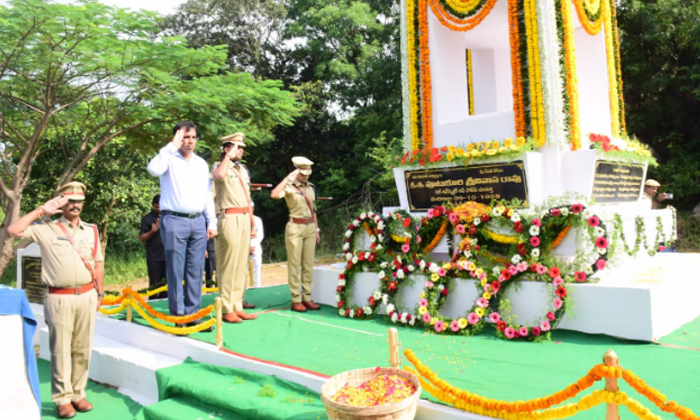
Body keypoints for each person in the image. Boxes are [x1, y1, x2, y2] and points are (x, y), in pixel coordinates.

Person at [8, 182, 104, 419]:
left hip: (87, 295)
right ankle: (62, 399)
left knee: (82, 348)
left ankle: (78, 395)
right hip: (59, 298)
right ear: (61, 203)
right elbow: (14, 231)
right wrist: (42, 210)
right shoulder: (45, 228)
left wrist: (100, 294)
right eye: (69, 201)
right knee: (60, 349)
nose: (75, 205)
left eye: (79, 201)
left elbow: (98, 263)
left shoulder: (91, 230)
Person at [147, 121, 216, 332]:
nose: (190, 141)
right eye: (186, 137)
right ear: (177, 138)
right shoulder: (168, 159)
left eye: (193, 137)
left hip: (197, 220)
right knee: (176, 270)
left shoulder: (201, 164)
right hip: (174, 219)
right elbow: (152, 169)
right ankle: (179, 317)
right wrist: (170, 146)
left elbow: (206, 195)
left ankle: (193, 314)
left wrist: (211, 221)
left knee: (196, 270)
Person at [211, 132, 257, 323]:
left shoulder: (242, 170)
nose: (241, 150)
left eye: (242, 147)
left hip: (245, 215)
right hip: (228, 216)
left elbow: (247, 197)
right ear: (226, 148)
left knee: (240, 264)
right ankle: (226, 308)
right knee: (228, 264)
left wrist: (253, 223)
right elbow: (219, 176)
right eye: (237, 147)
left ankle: (237, 305)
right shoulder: (219, 166)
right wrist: (227, 158)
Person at [270, 157, 321, 313]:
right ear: (296, 171)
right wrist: (287, 179)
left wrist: (317, 230)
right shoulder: (290, 186)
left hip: (310, 226)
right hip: (295, 227)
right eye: (302, 173)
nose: (306, 176)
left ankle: (307, 297)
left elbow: (314, 210)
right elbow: (274, 194)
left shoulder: (311, 188)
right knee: (294, 264)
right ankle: (296, 299)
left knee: (308, 264)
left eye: (308, 173)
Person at [139, 194, 167, 299]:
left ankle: (166, 309)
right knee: (154, 285)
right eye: (156, 207)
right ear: (152, 205)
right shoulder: (147, 219)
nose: (158, 209)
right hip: (154, 257)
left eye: (160, 206)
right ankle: (152, 309)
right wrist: (153, 230)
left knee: (167, 286)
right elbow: (142, 238)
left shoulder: (169, 217)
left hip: (168, 256)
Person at [249, 214, 264, 288]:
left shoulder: (257, 219)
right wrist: (247, 247)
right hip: (243, 249)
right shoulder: (241, 219)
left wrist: (252, 246)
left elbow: (260, 235)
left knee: (257, 271)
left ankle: (257, 288)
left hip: (256, 248)